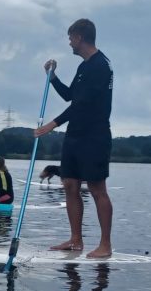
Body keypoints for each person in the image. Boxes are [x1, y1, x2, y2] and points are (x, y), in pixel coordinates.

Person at [33, 18, 114, 258]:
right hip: (75, 136)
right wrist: (53, 77)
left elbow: (82, 105)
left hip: (94, 136)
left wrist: (51, 125)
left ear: (79, 37)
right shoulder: (84, 66)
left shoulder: (101, 65)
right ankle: (75, 240)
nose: (69, 43)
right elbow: (71, 96)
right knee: (69, 185)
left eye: (70, 38)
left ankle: (105, 245)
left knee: (97, 188)